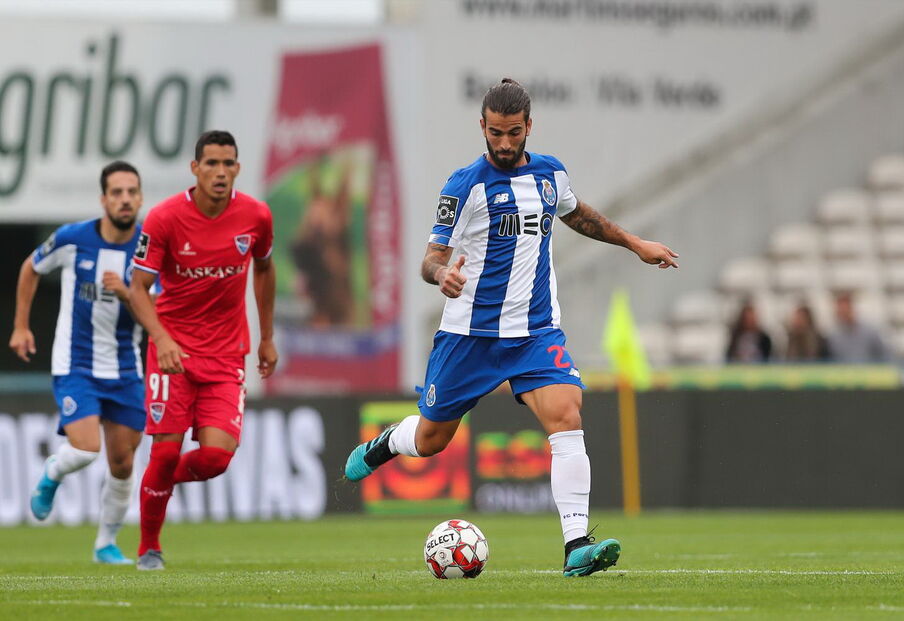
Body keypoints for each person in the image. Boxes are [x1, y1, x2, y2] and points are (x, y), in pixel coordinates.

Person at [344, 79, 679, 577]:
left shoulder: (550, 174)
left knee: (567, 414)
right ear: (482, 126)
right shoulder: (464, 185)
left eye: (514, 133)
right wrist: (443, 275)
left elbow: (578, 215)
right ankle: (389, 442)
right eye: (496, 133)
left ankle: (576, 547)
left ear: (529, 126)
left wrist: (634, 242)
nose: (504, 143)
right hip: (470, 336)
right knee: (434, 439)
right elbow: (430, 258)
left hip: (536, 332)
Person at [128, 130, 277, 571]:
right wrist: (161, 338)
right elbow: (138, 290)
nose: (219, 172)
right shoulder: (163, 218)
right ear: (194, 169)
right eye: (210, 163)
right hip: (171, 352)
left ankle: (155, 483)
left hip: (227, 353)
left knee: (214, 459)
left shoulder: (256, 216)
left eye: (227, 163)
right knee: (167, 450)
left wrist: (267, 336)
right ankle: (148, 547)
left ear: (237, 169)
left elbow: (265, 270)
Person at [9, 161, 147, 564]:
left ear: (140, 198)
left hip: (125, 369)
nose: (125, 199)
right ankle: (54, 470)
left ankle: (105, 543)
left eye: (131, 192)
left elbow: (157, 310)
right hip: (77, 364)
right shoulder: (73, 239)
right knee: (86, 450)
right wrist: (21, 326)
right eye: (117, 192)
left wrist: (128, 294)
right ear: (104, 199)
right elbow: (30, 268)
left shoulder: (147, 248)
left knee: (122, 464)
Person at [826, 291, 891, 363]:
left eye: (846, 310)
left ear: (851, 309)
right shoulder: (833, 336)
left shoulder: (870, 331)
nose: (844, 313)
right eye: (841, 310)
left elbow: (884, 354)